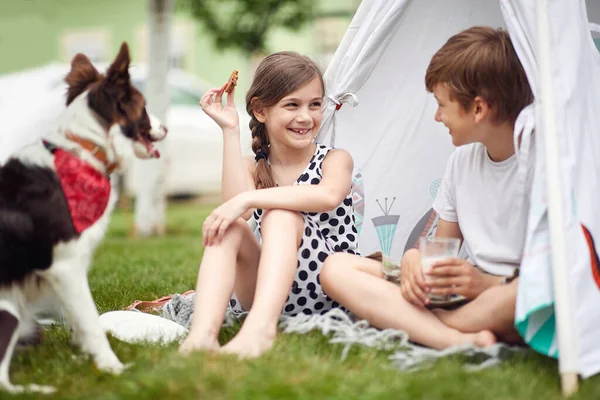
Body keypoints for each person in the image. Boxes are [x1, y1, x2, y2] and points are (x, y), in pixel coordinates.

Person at [320, 26, 534, 350]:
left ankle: (422, 325)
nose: (436, 116)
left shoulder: (546, 167)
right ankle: (457, 336)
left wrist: (485, 284)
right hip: (460, 295)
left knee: (523, 298)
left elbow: (561, 271)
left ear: (478, 109)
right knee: (337, 268)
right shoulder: (461, 161)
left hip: (510, 293)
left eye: (441, 104)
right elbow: (441, 249)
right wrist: (413, 261)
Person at [178, 52, 360, 358]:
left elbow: (327, 196)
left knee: (280, 216)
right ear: (261, 111)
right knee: (231, 228)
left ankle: (260, 331)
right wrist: (230, 130)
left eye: (314, 104)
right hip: (265, 289)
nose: (306, 116)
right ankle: (202, 336)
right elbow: (239, 211)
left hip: (325, 290)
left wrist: (250, 198)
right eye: (292, 105)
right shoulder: (254, 166)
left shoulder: (335, 159)